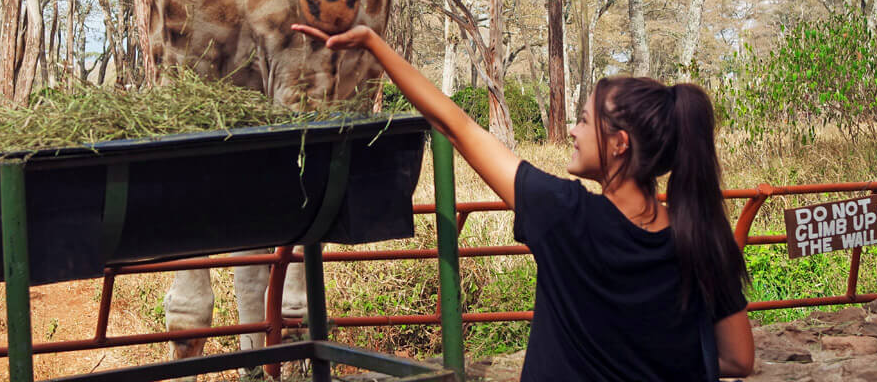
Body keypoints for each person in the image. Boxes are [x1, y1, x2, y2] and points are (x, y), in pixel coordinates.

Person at [292, 23, 755, 381]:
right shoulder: (703, 236)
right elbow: (737, 357)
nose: (572, 130)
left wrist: (375, 44)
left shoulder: (565, 214)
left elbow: (457, 126)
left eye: (583, 121)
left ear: (619, 144)